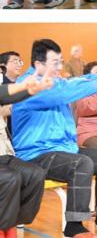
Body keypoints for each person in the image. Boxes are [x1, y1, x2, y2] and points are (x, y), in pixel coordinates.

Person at [12, 39, 97, 237]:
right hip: (36, 154)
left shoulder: (55, 81)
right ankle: (74, 226)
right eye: (55, 63)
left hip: (62, 149)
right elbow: (63, 93)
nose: (60, 67)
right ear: (38, 64)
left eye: (61, 62)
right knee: (81, 164)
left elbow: (72, 82)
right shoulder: (28, 86)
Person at [0, 75, 52, 237]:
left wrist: (32, 90)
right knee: (10, 178)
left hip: (4, 153)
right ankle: (6, 227)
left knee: (35, 174)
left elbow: (6, 97)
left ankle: (12, 222)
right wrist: (23, 86)